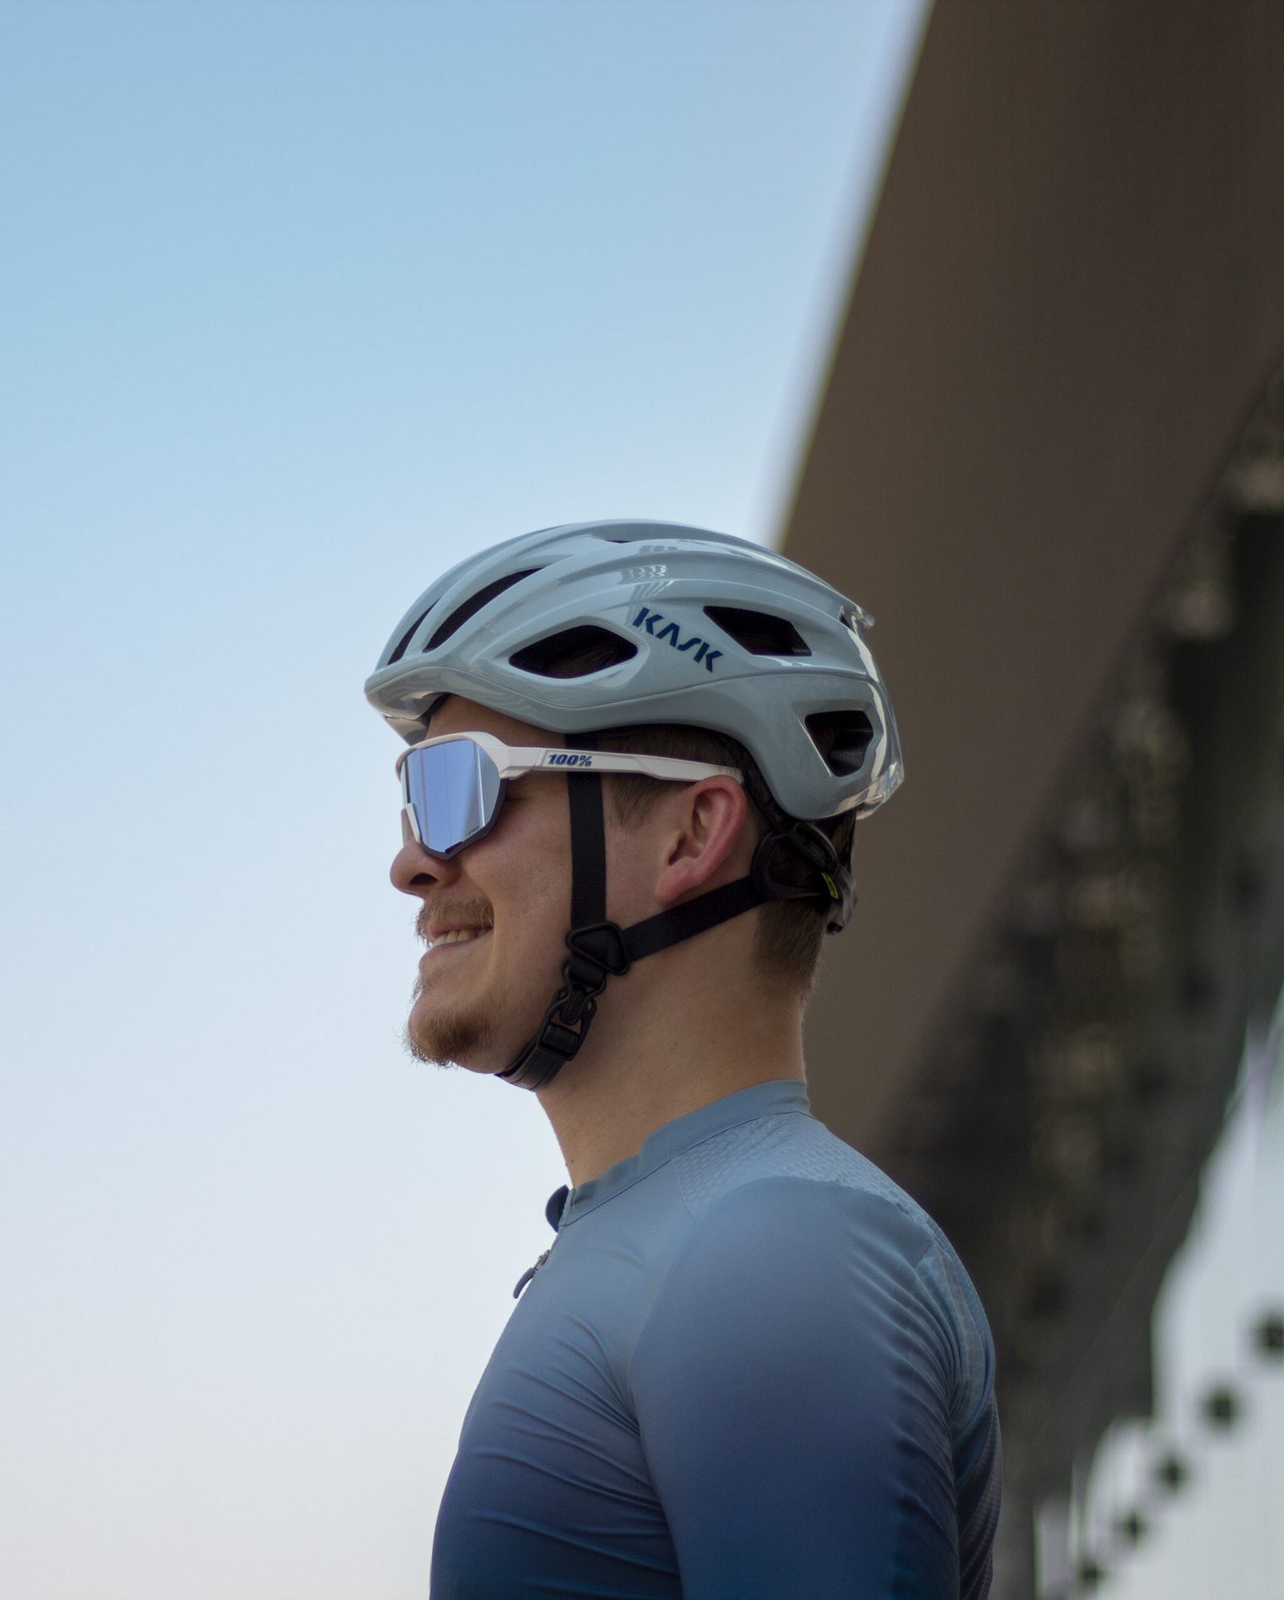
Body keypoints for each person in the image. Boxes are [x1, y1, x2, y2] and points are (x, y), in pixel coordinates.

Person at [365, 520, 1002, 1599]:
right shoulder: (692, 1239)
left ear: (691, 835)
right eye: (413, 794)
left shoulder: (773, 1254)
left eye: (459, 786)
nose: (411, 862)